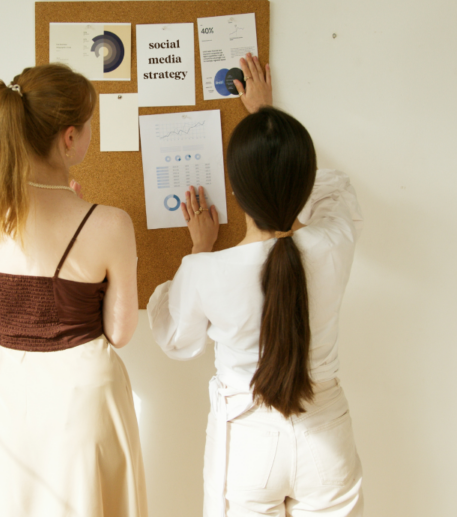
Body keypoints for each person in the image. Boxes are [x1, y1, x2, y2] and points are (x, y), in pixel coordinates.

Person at [147, 53, 365, 517]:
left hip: (246, 444)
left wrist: (199, 250)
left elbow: (174, 338)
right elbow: (334, 191)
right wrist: (266, 117)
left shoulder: (207, 272)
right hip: (327, 436)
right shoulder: (332, 244)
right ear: (301, 182)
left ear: (235, 190)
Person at [0, 64, 147, 517]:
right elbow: (120, 333)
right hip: (84, 404)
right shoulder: (109, 224)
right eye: (89, 124)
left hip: (11, 402)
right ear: (69, 137)